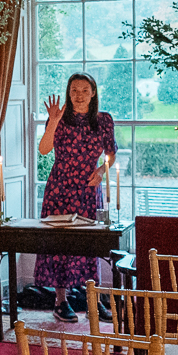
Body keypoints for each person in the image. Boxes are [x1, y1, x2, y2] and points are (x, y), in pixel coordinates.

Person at [35, 73, 117, 322]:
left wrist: (102, 170)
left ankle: (94, 300)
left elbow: (111, 154)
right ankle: (61, 301)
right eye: (74, 90)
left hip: (88, 189)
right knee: (61, 244)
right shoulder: (59, 117)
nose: (79, 95)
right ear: (68, 93)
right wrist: (53, 121)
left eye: (84, 90)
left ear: (93, 93)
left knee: (90, 244)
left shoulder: (104, 120)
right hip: (60, 188)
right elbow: (44, 149)